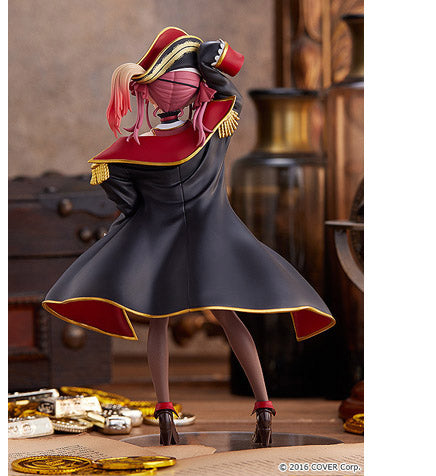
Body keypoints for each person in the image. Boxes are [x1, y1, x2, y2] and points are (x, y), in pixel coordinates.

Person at [42, 27, 335, 446]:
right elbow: (229, 94)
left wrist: (139, 209)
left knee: (159, 323)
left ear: (151, 94)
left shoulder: (132, 150)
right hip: (214, 237)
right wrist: (210, 64)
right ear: (195, 88)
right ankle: (264, 405)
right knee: (230, 318)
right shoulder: (212, 134)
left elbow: (126, 197)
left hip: (159, 243)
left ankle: (164, 412)